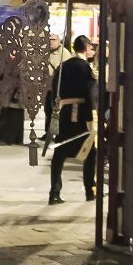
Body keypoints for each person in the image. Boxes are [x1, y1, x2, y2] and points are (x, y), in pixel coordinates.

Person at [44, 35, 98, 204]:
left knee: (60, 152)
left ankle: (54, 192)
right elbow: (90, 94)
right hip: (81, 113)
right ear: (87, 48)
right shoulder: (86, 68)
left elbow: (54, 91)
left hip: (64, 112)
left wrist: (55, 111)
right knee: (90, 151)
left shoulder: (62, 67)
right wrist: (91, 118)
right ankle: (90, 190)